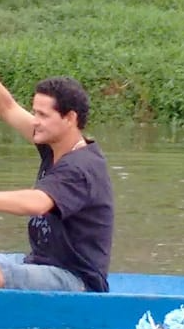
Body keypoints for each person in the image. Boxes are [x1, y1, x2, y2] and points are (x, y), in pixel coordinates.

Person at [0, 76, 114, 292]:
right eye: (35, 113)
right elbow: (7, 107)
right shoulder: (53, 145)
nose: (35, 121)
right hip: (40, 264)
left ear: (69, 118)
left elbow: (37, 203)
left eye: (43, 115)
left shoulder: (81, 167)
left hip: (77, 281)